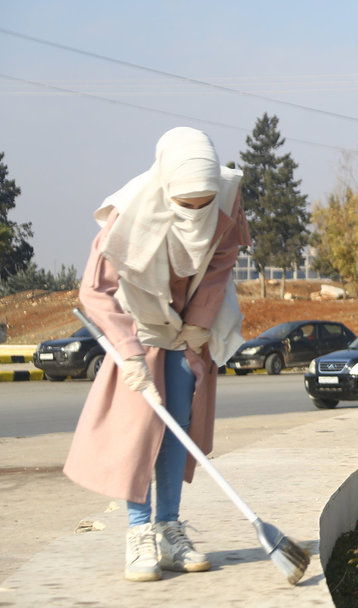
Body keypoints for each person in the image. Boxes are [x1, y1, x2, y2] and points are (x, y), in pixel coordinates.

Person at [64, 127, 247, 582]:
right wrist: (126, 351)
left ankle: (169, 529)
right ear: (167, 189)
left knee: (178, 426)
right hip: (142, 325)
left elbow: (223, 256)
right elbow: (94, 291)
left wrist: (200, 323)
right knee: (142, 426)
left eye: (203, 203)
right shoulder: (131, 212)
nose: (196, 212)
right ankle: (138, 532)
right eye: (185, 204)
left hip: (187, 328)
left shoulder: (225, 195)